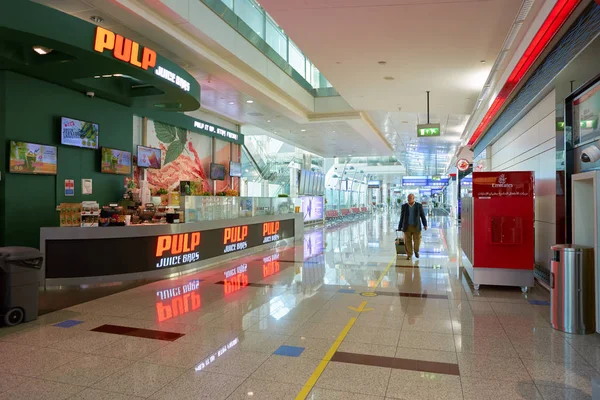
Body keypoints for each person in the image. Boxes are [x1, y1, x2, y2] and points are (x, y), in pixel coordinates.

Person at [398, 193, 428, 260]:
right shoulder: (404, 206)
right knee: (407, 241)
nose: (408, 199)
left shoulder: (418, 206)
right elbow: (402, 217)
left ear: (413, 199)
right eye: (408, 198)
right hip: (407, 226)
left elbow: (422, 216)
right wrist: (399, 227)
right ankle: (409, 254)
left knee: (417, 240)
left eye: (410, 198)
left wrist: (425, 224)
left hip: (416, 226)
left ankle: (416, 251)